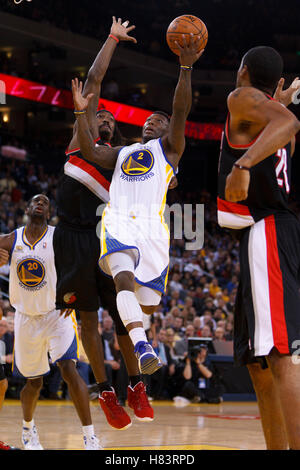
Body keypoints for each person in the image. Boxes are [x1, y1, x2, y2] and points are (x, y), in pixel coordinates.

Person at [72, 34, 204, 376]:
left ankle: (138, 331)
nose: (151, 122)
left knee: (148, 302)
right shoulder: (122, 152)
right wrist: (79, 112)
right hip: (118, 221)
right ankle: (142, 344)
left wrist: (185, 68)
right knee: (123, 282)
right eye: (148, 119)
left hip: (153, 228)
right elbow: (89, 152)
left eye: (157, 121)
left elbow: (180, 109)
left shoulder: (169, 149)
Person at [54, 17, 153, 429]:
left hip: (105, 239)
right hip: (72, 238)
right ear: (90, 120)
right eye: (101, 115)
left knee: (124, 315)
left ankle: (136, 386)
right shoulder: (80, 141)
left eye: (111, 119)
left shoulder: (121, 161)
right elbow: (94, 78)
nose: (106, 119)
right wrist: (112, 38)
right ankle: (107, 393)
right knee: (88, 321)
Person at [217, 45, 300, 449]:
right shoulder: (266, 119)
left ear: (244, 70)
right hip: (261, 235)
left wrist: (242, 164)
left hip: (267, 229)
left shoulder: (241, 97)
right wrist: (277, 106)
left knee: (280, 356)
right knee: (259, 366)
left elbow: (290, 121)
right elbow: (283, 126)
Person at [0, 194, 101, 450]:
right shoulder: (12, 239)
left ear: (49, 212)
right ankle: (28, 429)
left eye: (45, 202)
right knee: (33, 383)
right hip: (25, 318)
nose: (40, 203)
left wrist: (74, 297)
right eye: (36, 201)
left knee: (69, 368)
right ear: (28, 208)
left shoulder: (59, 237)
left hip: (58, 314)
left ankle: (90, 437)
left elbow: (81, 266)